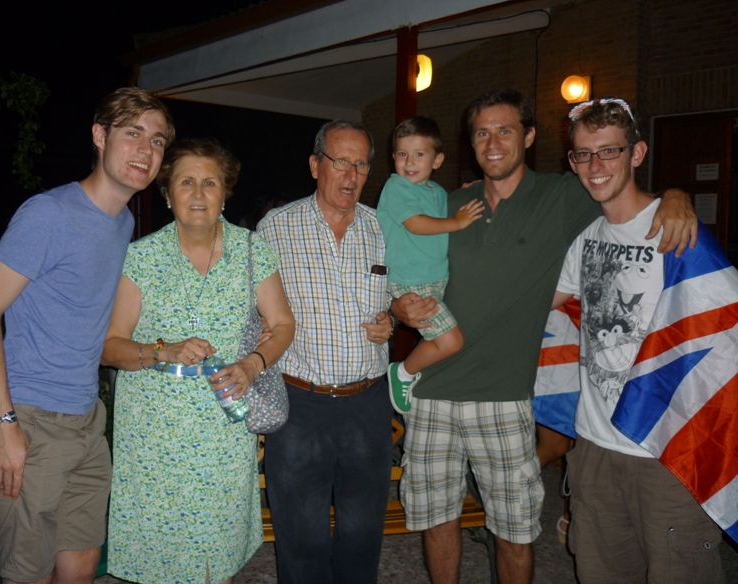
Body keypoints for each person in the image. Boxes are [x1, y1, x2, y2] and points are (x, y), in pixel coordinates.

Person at [391, 89, 698, 584]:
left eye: (505, 130)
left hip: (505, 396)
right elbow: (401, 265)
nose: (493, 143)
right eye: (482, 133)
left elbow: (619, 187)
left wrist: (676, 196)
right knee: (436, 520)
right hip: (431, 394)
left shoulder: (563, 196)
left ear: (529, 136)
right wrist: (398, 307)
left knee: (514, 532)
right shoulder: (449, 203)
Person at [0, 87, 175, 584]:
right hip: (29, 419)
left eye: (157, 140)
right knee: (29, 575)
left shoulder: (122, 223)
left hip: (86, 422)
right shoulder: (49, 213)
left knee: (80, 570)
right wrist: (3, 424)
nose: (146, 150)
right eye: (133, 133)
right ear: (100, 136)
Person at [101, 139, 295, 584]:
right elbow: (110, 346)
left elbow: (283, 324)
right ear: (167, 194)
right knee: (162, 563)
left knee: (215, 563)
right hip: (154, 440)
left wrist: (252, 364)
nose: (198, 193)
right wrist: (161, 350)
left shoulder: (252, 250)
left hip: (223, 431)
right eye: (186, 182)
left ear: (225, 194)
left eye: (210, 183)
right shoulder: (140, 258)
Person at [552, 98, 724, 582]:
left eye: (609, 151)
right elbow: (532, 305)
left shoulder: (679, 233)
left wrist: (676, 194)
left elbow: (724, 335)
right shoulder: (585, 237)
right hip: (595, 445)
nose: (596, 166)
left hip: (666, 451)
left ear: (637, 153)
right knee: (601, 572)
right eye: (584, 154)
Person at [257, 120, 394, 584]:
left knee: (362, 533)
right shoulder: (276, 228)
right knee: (300, 537)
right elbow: (251, 307)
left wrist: (392, 320)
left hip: (368, 403)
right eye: (340, 162)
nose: (351, 175)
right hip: (301, 404)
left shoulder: (382, 228)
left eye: (361, 164)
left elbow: (400, 295)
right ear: (316, 165)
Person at [376, 116, 483, 414]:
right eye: (402, 154)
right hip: (411, 282)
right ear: (393, 157)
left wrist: (470, 192)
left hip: (435, 278)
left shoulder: (436, 191)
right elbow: (416, 223)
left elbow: (449, 211)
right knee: (451, 341)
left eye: (419, 154)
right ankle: (403, 372)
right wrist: (457, 223)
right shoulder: (396, 187)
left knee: (443, 340)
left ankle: (417, 374)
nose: (409, 162)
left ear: (437, 160)